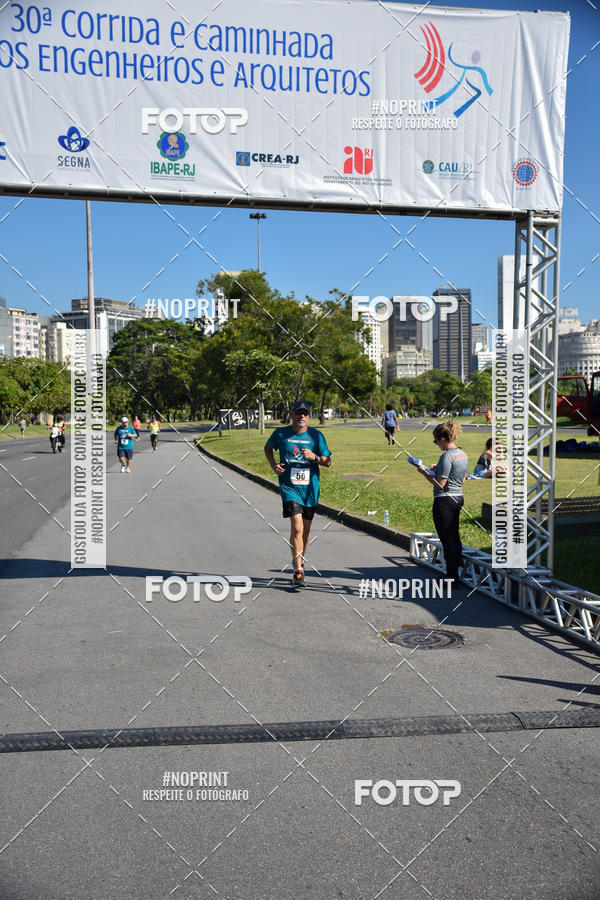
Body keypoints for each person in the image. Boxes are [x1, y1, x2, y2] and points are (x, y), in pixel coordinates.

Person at [264, 400, 332, 589]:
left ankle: (299, 559)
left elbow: (328, 462)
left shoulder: (316, 436)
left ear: (309, 416)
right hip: (289, 488)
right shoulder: (280, 434)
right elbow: (268, 448)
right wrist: (274, 465)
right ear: (292, 414)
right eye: (298, 413)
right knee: (297, 527)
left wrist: (315, 457)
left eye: (305, 413)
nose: (301, 416)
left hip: (310, 490)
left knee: (305, 531)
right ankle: (298, 570)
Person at [414, 420, 468, 584]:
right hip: (457, 497)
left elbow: (441, 484)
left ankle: (451, 576)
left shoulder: (446, 456)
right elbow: (460, 478)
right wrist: (438, 468)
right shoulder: (462, 454)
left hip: (444, 501)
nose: (435, 443)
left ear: (443, 439)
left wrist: (423, 472)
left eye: (436, 440)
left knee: (447, 539)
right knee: (455, 536)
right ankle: (456, 571)